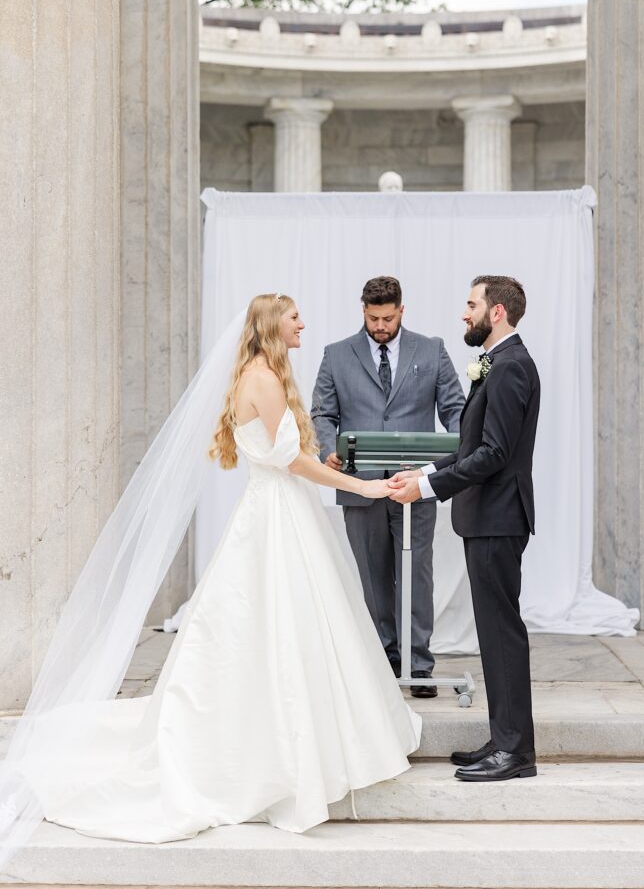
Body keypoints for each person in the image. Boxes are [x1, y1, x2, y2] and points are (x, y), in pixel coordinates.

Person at [1, 295, 420, 852]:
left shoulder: (263, 372)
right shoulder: (266, 379)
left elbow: (286, 455)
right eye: (294, 317)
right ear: (275, 325)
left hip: (276, 511)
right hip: (277, 515)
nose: (303, 324)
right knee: (278, 624)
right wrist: (366, 487)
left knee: (284, 625)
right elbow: (291, 462)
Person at [389, 276, 540, 781]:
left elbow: (495, 454)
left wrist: (429, 491)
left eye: (471, 304)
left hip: (499, 518)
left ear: (496, 312)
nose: (464, 314)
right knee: (494, 636)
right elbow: (475, 446)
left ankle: (515, 753)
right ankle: (503, 740)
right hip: (486, 518)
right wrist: (426, 473)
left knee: (502, 634)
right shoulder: (496, 366)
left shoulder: (512, 367)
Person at [311, 277, 465, 697]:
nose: (380, 325)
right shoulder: (336, 355)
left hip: (415, 484)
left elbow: (455, 409)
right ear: (363, 309)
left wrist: (454, 459)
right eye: (373, 317)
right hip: (359, 484)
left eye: (388, 317)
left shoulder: (431, 349)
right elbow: (322, 413)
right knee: (373, 574)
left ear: (402, 310)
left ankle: (418, 664)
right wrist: (327, 448)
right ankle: (384, 660)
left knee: (417, 571)